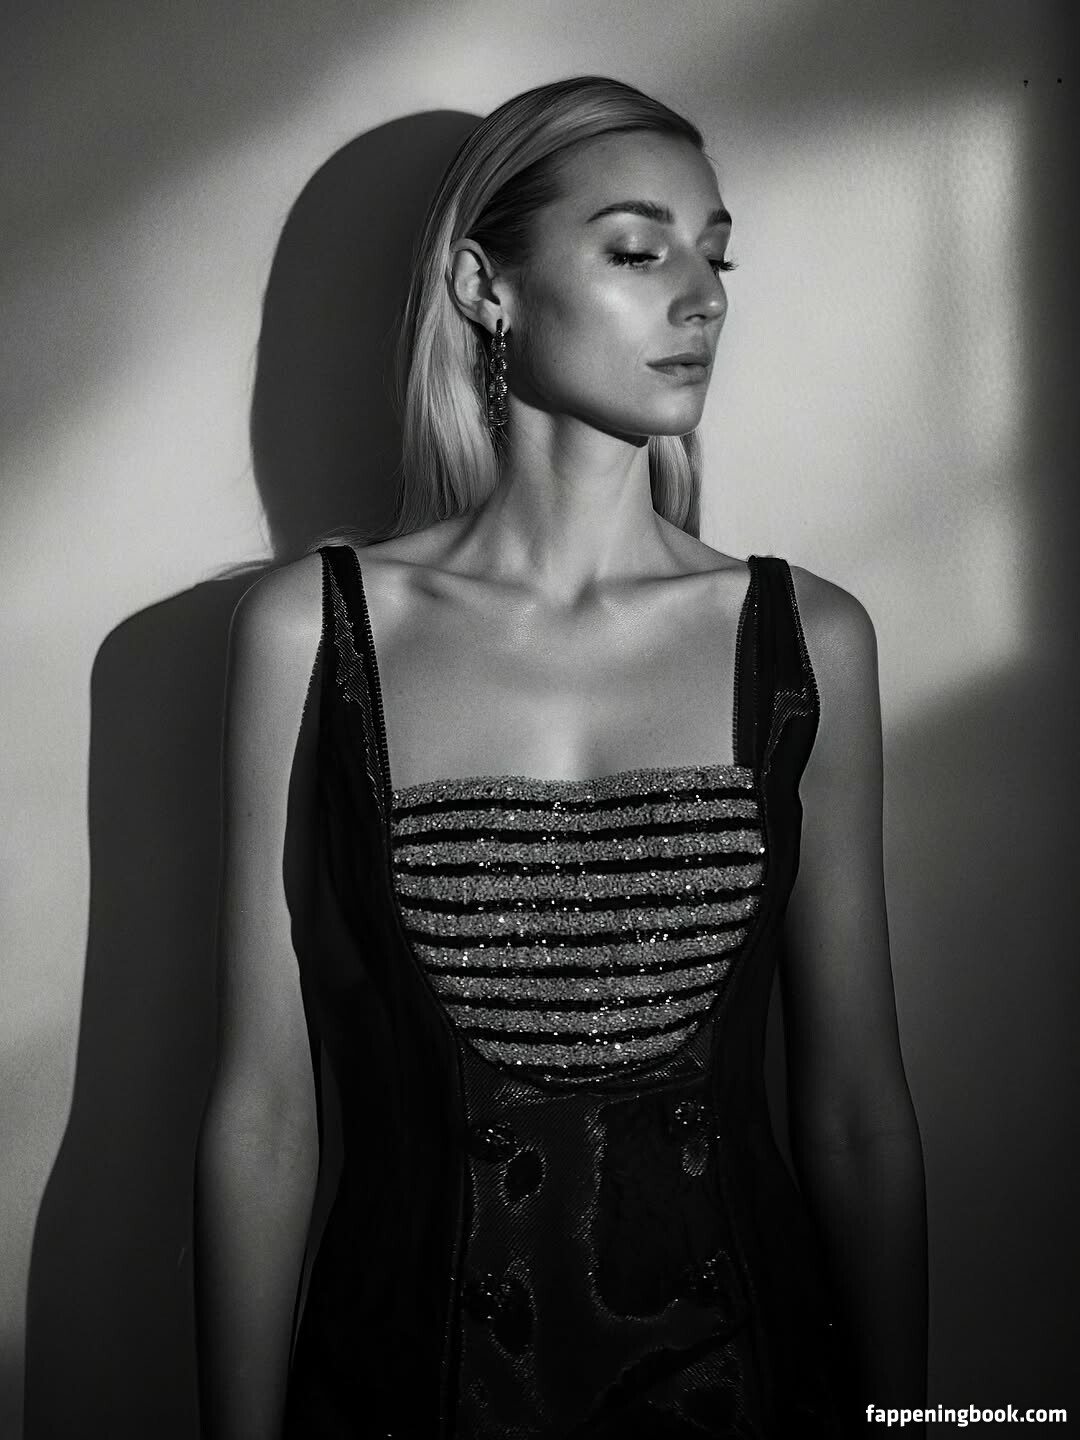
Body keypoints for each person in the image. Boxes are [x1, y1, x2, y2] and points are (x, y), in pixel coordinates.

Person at [195, 75, 928, 1440]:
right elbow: (264, 1114)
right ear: (486, 287)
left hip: (752, 1394)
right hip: (407, 1394)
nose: (702, 299)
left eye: (717, 257)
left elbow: (855, 1115)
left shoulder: (806, 639)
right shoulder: (311, 633)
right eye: (640, 251)